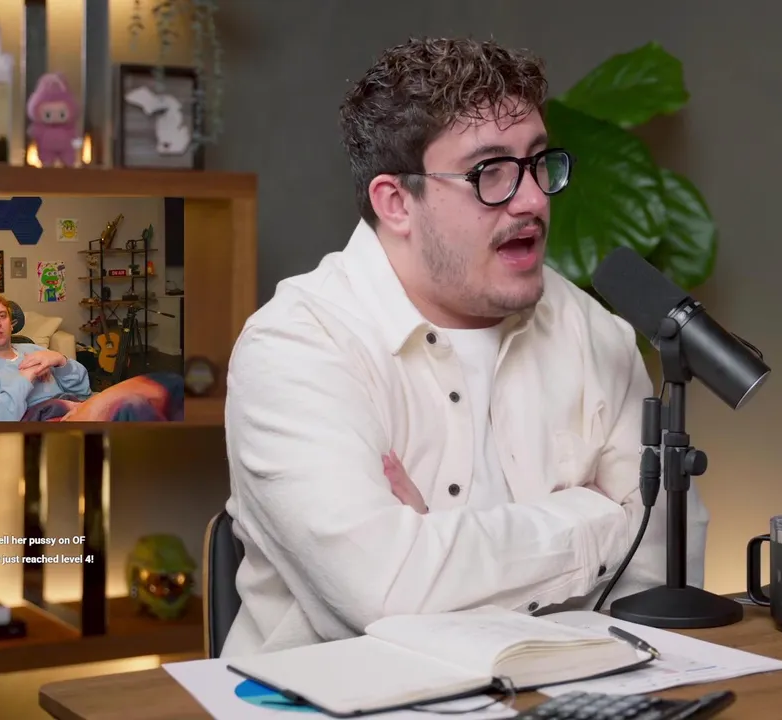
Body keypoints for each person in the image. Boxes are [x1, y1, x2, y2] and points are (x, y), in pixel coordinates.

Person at [222, 37, 708, 656]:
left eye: (537, 162)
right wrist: (597, 518)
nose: (533, 199)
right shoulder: (297, 347)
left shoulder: (591, 331)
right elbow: (383, 594)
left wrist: (438, 548)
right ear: (396, 203)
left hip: (568, 688)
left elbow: (665, 568)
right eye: (490, 173)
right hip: (336, 696)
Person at [0, 292, 183, 421]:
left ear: (11, 323)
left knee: (169, 384)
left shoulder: (33, 350)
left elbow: (83, 388)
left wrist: (60, 360)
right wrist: (25, 378)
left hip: (78, 405)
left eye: (2, 316)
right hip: (47, 420)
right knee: (133, 405)